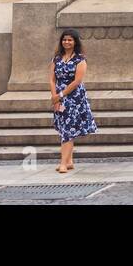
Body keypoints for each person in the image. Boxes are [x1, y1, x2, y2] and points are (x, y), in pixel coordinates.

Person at [52, 28, 98, 174]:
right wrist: (55, 96)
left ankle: (63, 163)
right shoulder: (57, 58)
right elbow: (52, 79)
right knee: (64, 127)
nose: (66, 42)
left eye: (70, 40)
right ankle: (69, 161)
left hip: (74, 97)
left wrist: (61, 95)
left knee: (68, 130)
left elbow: (77, 81)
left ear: (75, 42)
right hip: (59, 97)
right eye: (64, 39)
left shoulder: (80, 59)